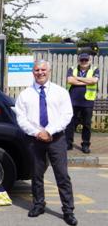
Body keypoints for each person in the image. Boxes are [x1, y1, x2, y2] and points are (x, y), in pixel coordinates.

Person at [15, 60, 78, 226]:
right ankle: (38, 204)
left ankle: (68, 210)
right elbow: (21, 118)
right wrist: (38, 133)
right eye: (37, 70)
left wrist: (49, 131)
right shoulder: (25, 94)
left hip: (56, 138)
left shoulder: (60, 92)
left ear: (49, 71)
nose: (40, 72)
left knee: (62, 175)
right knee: (36, 174)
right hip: (34, 139)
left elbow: (66, 115)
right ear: (32, 72)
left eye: (43, 69)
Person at [65, 53, 99, 153]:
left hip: (87, 101)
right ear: (78, 60)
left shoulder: (95, 69)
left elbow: (94, 80)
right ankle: (68, 143)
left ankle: (85, 145)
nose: (84, 62)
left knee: (87, 124)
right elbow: (70, 80)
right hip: (73, 100)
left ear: (89, 60)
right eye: (82, 60)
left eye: (86, 60)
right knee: (70, 124)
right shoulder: (72, 68)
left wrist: (78, 78)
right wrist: (87, 81)